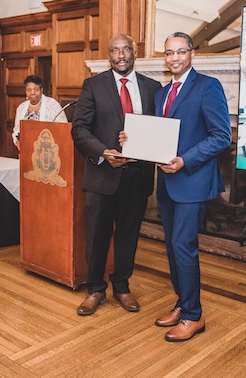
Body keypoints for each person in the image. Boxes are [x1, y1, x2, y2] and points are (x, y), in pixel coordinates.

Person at [71, 34, 161, 316]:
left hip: (137, 177)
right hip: (101, 176)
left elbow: (160, 129)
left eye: (125, 49)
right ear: (108, 55)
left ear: (135, 52)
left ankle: (122, 286)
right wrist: (103, 152)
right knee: (96, 237)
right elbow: (79, 129)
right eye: (114, 51)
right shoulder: (93, 86)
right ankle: (95, 289)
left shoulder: (153, 88)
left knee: (128, 236)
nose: (120, 55)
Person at [153, 32, 231, 342]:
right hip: (167, 183)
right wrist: (132, 141)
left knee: (183, 247)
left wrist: (185, 160)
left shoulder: (208, 86)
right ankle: (182, 303)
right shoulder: (161, 94)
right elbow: (160, 134)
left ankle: (193, 316)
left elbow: (221, 136)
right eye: (169, 53)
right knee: (173, 248)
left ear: (192, 54)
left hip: (193, 181)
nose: (174, 58)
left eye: (180, 52)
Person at [12, 75, 68, 150]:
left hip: (48, 151)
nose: (32, 93)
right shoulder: (21, 108)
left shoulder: (53, 105)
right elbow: (16, 131)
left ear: (41, 90)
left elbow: (63, 129)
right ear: (25, 91)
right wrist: (17, 142)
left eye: (36, 89)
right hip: (26, 150)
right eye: (29, 90)